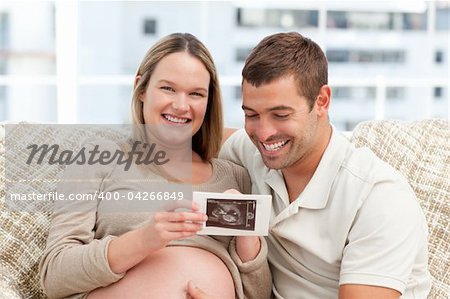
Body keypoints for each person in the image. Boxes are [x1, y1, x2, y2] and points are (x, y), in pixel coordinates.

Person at [39, 33, 271, 299]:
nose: (181, 105)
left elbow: (260, 294)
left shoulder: (235, 177)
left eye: (196, 94)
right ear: (141, 89)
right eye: (168, 88)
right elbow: (54, 275)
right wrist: (145, 239)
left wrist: (246, 237)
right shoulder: (96, 158)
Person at [218, 32, 431, 298]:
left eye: (280, 115)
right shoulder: (253, 152)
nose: (263, 133)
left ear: (322, 101)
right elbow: (200, 137)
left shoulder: (379, 197)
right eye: (251, 115)